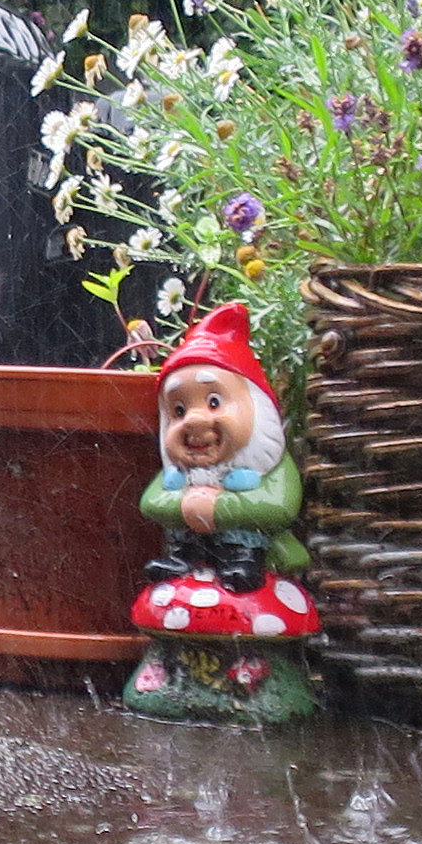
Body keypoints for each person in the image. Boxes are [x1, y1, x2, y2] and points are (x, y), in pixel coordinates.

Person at [121, 302, 324, 725]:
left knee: (246, 568)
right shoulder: (178, 474)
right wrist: (185, 503)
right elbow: (150, 504)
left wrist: (220, 506)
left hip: (251, 552)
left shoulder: (270, 465)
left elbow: (280, 508)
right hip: (192, 549)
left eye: (214, 402)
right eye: (177, 411)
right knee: (175, 570)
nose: (194, 422)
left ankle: (253, 670)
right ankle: (176, 659)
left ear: (259, 411)